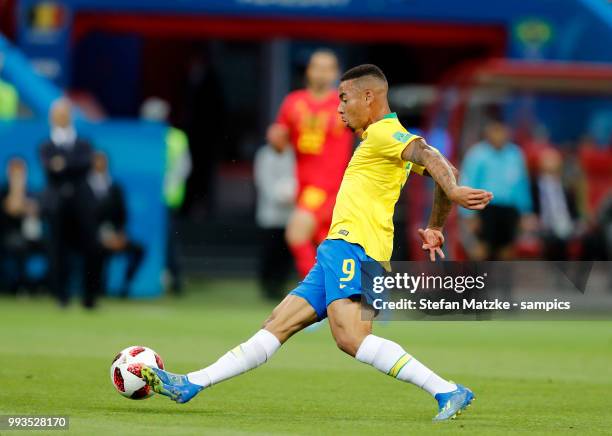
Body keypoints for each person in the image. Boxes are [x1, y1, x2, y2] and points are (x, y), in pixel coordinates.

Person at [140, 65, 493, 421]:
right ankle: (190, 385)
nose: (339, 107)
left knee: (351, 337)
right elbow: (446, 169)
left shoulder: (387, 134)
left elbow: (433, 159)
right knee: (278, 324)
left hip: (356, 247)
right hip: (342, 249)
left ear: (368, 97)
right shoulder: (378, 138)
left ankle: (446, 389)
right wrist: (435, 224)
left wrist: (452, 192)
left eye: (345, 98)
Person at [267, 49, 353, 277]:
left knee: (296, 233)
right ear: (308, 71)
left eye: (327, 69)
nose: (321, 73)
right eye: (317, 67)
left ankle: (317, 292)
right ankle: (355, 292)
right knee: (329, 246)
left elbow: (368, 135)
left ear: (335, 73)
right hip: (304, 187)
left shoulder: (345, 104)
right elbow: (280, 144)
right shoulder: (293, 102)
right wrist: (275, 140)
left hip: (330, 186)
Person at [39, 98, 102, 308]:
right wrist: (69, 164)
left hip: (82, 204)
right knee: (58, 251)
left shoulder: (84, 144)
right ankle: (61, 297)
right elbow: (50, 167)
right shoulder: (46, 146)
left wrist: (63, 164)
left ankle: (90, 298)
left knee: (90, 248)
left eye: (65, 113)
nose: (61, 117)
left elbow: (84, 164)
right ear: (51, 118)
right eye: (58, 114)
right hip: (57, 205)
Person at [460, 120, 535, 260]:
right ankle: (477, 281)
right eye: (495, 131)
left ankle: (501, 281)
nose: (499, 135)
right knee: (481, 250)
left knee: (507, 250)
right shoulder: (477, 154)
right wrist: (469, 214)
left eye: (502, 131)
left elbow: (522, 185)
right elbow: (467, 183)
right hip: (485, 208)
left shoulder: (515, 154)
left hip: (509, 209)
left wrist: (525, 212)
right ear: (488, 133)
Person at [141, 97, 192, 295]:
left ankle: (175, 278)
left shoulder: (175, 137)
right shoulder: (145, 136)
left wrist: (162, 188)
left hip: (166, 199)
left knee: (169, 241)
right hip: (149, 200)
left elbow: (182, 168)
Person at [87, 151, 145, 297]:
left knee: (139, 249)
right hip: (91, 235)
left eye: (103, 161)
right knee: (95, 250)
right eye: (97, 161)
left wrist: (120, 233)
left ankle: (126, 286)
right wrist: (98, 236)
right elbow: (84, 216)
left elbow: (122, 214)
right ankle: (96, 288)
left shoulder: (116, 187)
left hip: (113, 233)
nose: (100, 165)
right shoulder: (84, 186)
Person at [253, 139, 296, 300]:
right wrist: (279, 195)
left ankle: (280, 284)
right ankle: (266, 285)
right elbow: (263, 180)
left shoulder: (294, 152)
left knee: (285, 253)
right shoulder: (265, 154)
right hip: (270, 214)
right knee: (269, 252)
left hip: (290, 214)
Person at [0, 158, 44, 293]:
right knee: (20, 246)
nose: (19, 174)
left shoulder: (31, 191)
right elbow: (13, 209)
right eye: (15, 171)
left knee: (52, 247)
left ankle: (44, 286)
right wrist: (17, 189)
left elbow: (36, 211)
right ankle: (20, 286)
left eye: (21, 171)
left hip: (31, 234)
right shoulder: (4, 190)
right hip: (8, 235)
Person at [531, 148, 580, 260]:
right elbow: (529, 208)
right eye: (548, 160)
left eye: (554, 160)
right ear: (540, 163)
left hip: (567, 225)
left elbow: (575, 213)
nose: (551, 163)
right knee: (556, 241)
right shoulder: (533, 186)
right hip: (544, 226)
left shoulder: (566, 188)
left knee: (593, 240)